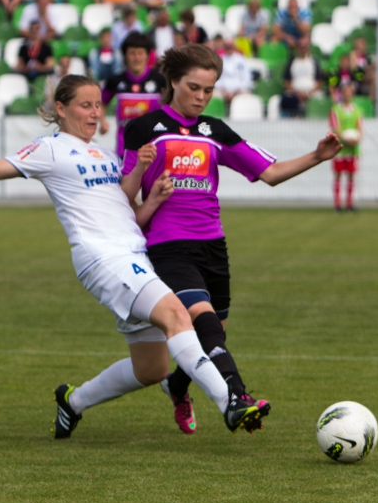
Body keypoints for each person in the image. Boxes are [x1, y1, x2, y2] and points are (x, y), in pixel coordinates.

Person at [0, 74, 267, 439]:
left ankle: (73, 402)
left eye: (98, 105)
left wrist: (151, 191)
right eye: (85, 105)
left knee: (152, 369)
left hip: (134, 254)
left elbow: (127, 211)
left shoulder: (104, 154)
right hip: (103, 258)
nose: (95, 113)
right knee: (178, 315)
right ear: (61, 109)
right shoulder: (49, 149)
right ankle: (230, 401)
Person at [121, 44, 342, 434]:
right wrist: (144, 182)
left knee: (215, 333)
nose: (202, 97)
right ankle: (236, 396)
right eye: (194, 87)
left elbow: (270, 173)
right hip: (168, 245)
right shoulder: (142, 128)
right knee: (203, 319)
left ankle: (177, 385)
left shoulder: (215, 130)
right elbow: (122, 197)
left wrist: (317, 156)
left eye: (209, 90)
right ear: (173, 81)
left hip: (213, 245)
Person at [100, 32, 165, 156]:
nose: (136, 58)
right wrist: (103, 122)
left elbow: (173, 107)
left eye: (140, 53)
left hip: (154, 151)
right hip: (125, 151)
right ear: (125, 56)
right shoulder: (115, 80)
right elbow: (101, 103)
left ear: (147, 55)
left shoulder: (160, 81)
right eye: (132, 53)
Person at [329, 82, 363, 212]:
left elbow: (360, 127)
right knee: (338, 175)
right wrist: (345, 138)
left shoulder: (357, 110)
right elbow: (335, 127)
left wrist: (357, 138)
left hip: (353, 148)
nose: (347, 94)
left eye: (350, 91)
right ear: (341, 93)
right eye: (345, 91)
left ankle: (349, 203)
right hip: (339, 147)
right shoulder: (336, 110)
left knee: (351, 175)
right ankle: (337, 204)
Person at [280, 34, 323, 117]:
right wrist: (297, 93)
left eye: (305, 46)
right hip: (294, 93)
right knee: (287, 99)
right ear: (297, 47)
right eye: (301, 46)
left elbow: (320, 81)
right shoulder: (292, 62)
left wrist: (309, 93)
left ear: (309, 48)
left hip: (311, 93)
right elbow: (286, 82)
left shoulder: (314, 61)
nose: (303, 48)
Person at [215, 37, 252, 104]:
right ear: (224, 47)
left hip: (239, 90)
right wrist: (225, 92)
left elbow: (246, 78)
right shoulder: (220, 60)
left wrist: (235, 92)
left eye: (230, 46)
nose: (229, 48)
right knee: (214, 95)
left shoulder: (241, 59)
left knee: (248, 97)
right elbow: (217, 79)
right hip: (223, 91)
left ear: (234, 46)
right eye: (227, 46)